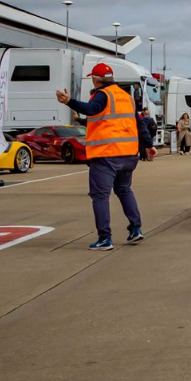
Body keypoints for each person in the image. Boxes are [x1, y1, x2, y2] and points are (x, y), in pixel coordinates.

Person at [57, 63, 155, 251]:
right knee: (124, 190)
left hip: (106, 155)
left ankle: (105, 238)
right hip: (128, 155)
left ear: (95, 80)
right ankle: (136, 228)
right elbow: (138, 123)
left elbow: (91, 109)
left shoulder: (102, 95)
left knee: (100, 196)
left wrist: (69, 101)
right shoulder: (126, 97)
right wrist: (149, 145)